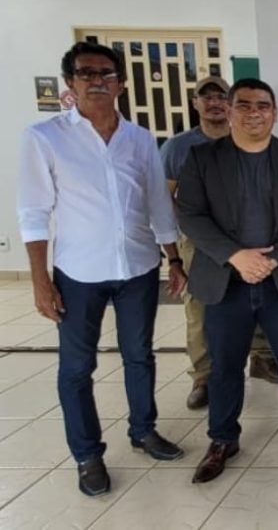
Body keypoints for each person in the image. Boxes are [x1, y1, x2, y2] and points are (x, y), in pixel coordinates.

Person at [17, 42, 186, 497]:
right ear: (70, 82)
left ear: (121, 84)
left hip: (138, 267)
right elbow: (33, 214)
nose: (97, 81)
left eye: (106, 73)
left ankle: (143, 430)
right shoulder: (45, 137)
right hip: (78, 272)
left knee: (139, 355)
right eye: (86, 73)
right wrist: (40, 280)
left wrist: (173, 258)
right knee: (77, 367)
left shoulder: (140, 138)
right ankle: (88, 455)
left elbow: (157, 203)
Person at [176, 78, 278, 483]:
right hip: (226, 279)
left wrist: (271, 258)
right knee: (225, 365)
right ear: (229, 110)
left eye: (263, 105)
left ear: (275, 113)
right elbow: (189, 214)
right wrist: (236, 256)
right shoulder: (202, 158)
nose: (254, 112)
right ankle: (223, 439)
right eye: (244, 105)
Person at [161, 76, 278, 410]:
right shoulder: (179, 147)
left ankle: (261, 357)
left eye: (220, 97)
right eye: (206, 97)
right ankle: (204, 375)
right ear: (195, 103)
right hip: (200, 241)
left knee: (258, 295)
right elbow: (165, 198)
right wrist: (182, 242)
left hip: (252, 239)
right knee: (201, 307)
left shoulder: (251, 140)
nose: (213, 102)